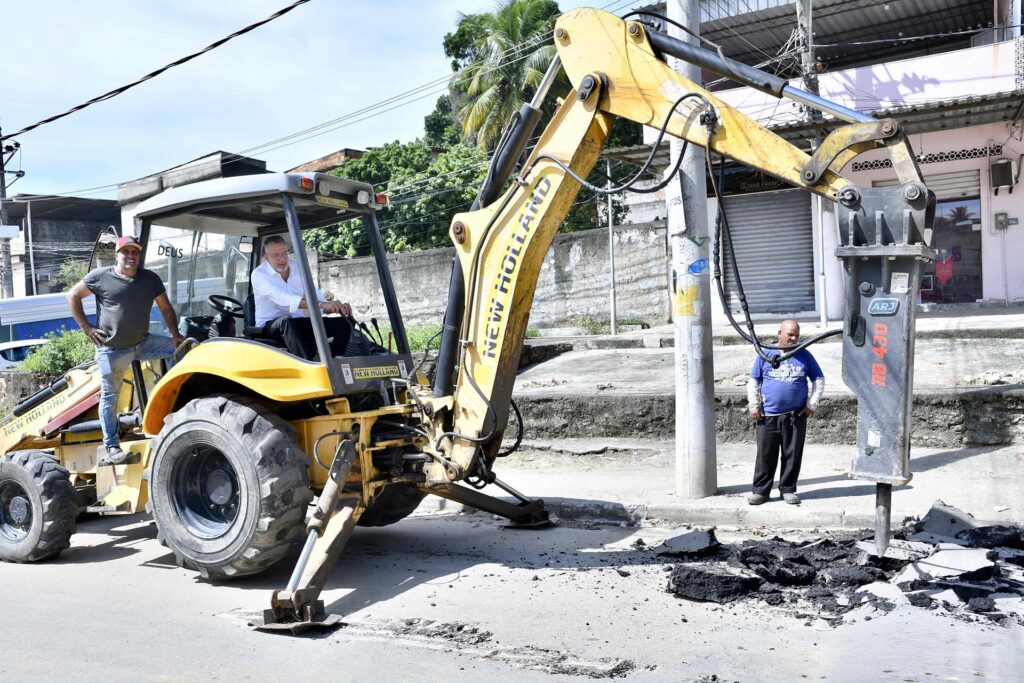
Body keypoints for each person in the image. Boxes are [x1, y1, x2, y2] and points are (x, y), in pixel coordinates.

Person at [67, 235, 184, 466]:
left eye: (135, 253)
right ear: (117, 254)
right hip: (113, 349)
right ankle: (111, 446)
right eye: (126, 252)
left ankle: (171, 405)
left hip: (142, 343)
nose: (131, 256)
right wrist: (87, 328)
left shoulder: (150, 279)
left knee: (179, 350)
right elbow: (72, 295)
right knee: (110, 396)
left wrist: (175, 334)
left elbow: (165, 307)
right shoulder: (100, 277)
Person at [747, 319, 824, 506]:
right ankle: (761, 492)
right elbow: (754, 381)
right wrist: (754, 405)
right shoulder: (765, 354)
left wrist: (811, 404)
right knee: (765, 456)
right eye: (790, 334)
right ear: (779, 333)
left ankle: (788, 489)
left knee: (792, 454)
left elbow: (819, 379)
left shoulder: (804, 355)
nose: (794, 338)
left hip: (795, 416)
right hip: (768, 416)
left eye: (797, 335)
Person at [251, 235, 352, 361]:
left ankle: (332, 362)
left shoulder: (297, 268)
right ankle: (307, 365)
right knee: (285, 321)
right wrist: (321, 305)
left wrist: (331, 307)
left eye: (285, 254)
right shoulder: (259, 275)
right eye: (276, 255)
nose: (282, 259)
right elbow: (283, 298)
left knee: (345, 323)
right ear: (266, 257)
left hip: (296, 323)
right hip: (270, 326)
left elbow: (313, 293)